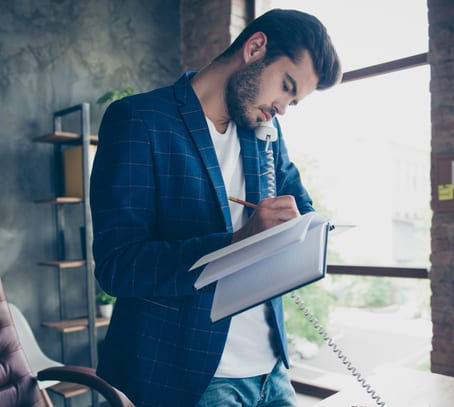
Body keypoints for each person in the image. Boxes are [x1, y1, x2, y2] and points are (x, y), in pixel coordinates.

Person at [90, 9, 341, 406]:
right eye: (285, 87)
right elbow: (118, 267)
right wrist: (237, 240)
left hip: (271, 372)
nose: (281, 108)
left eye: (293, 101)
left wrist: (306, 233)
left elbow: (301, 211)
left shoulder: (265, 132)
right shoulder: (138, 120)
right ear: (255, 48)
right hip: (190, 378)